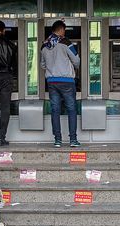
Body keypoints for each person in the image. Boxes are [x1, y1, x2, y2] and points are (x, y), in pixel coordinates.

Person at [40, 20, 81, 148]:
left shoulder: (44, 46)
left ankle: (57, 140)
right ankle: (73, 140)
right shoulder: (66, 43)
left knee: (55, 110)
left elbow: (42, 65)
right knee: (71, 109)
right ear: (62, 30)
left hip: (52, 82)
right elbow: (77, 61)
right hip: (67, 82)